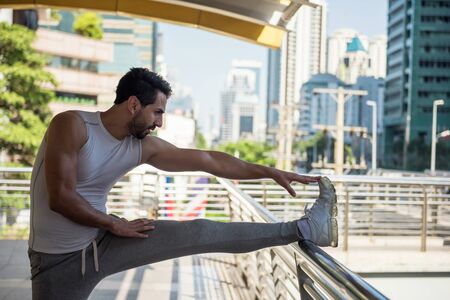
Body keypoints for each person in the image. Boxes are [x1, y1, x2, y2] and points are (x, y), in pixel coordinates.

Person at [28, 67, 338, 300]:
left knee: (201, 232)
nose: (160, 122)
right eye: (157, 112)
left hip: (104, 241)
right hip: (57, 262)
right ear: (134, 104)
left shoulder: (141, 146)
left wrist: (270, 172)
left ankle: (306, 228)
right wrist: (113, 223)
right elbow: (61, 197)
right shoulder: (72, 125)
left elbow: (210, 161)